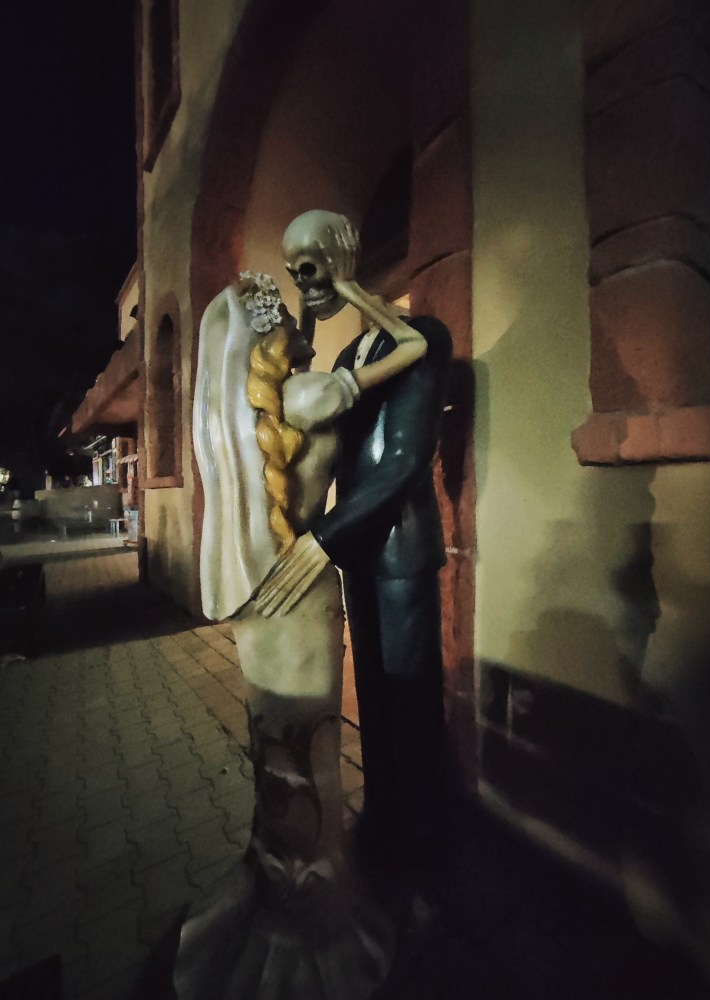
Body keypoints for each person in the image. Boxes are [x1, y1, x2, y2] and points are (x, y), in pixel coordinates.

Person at [179, 271, 426, 1000]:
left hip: (261, 592)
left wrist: (303, 319)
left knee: (274, 753)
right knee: (310, 756)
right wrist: (351, 288)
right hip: (304, 593)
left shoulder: (244, 412)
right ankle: (314, 926)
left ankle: (277, 893)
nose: (301, 322)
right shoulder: (311, 395)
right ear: (275, 340)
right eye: (289, 317)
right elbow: (413, 345)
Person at [255, 212, 453, 872]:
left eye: (311, 267)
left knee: (411, 698)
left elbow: (404, 464)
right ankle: (386, 819)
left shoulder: (425, 337)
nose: (304, 282)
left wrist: (324, 538)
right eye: (295, 271)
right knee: (371, 692)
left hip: (401, 550)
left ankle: (425, 842)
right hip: (359, 552)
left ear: (345, 259)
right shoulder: (347, 359)